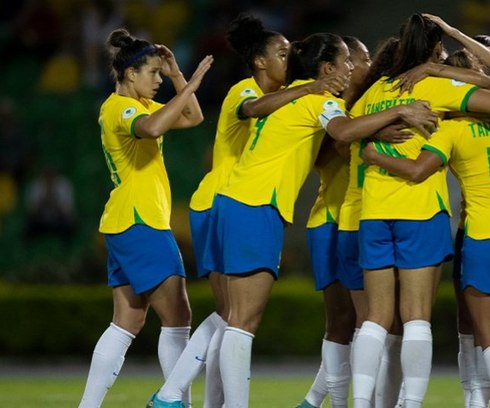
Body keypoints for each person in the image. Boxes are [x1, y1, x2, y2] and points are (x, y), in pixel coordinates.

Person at [208, 32, 439, 408]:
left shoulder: (297, 94)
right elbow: (344, 131)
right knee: (243, 321)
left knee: (237, 318)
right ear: (328, 68)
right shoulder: (318, 99)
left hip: (239, 201)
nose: (352, 67)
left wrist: (375, 124)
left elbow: (338, 133)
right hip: (257, 204)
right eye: (347, 60)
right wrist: (398, 111)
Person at [149, 14, 348, 408]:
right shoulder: (245, 91)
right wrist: (315, 86)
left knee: (228, 315)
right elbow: (254, 109)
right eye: (280, 53)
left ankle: (187, 397)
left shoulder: (290, 100)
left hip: (227, 204)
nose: (287, 59)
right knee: (237, 317)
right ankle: (175, 394)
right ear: (259, 62)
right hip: (227, 201)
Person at [349, 13, 490, 408]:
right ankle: (410, 404)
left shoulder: (378, 88)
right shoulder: (436, 85)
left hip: (373, 210)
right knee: (416, 317)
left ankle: (361, 401)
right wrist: (436, 71)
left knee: (376, 317)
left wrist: (379, 131)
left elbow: (348, 127)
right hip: (419, 209)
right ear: (435, 51)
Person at [78, 28, 213, 408]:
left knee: (128, 322)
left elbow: (193, 116)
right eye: (152, 73)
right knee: (179, 317)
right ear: (129, 74)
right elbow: (153, 129)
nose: (157, 80)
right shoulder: (121, 108)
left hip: (125, 223)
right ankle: (175, 401)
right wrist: (195, 82)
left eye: (159, 73)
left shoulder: (140, 106)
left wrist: (176, 75)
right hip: (141, 222)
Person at [296, 35, 371, 408]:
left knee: (370, 322)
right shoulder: (326, 110)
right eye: (360, 60)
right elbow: (335, 148)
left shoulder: (368, 106)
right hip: (332, 219)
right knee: (343, 321)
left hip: (362, 219)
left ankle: (314, 401)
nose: (366, 67)